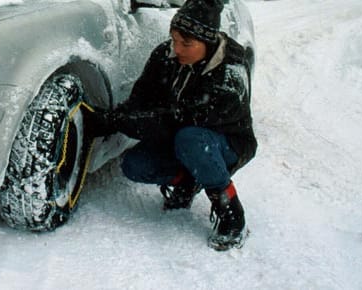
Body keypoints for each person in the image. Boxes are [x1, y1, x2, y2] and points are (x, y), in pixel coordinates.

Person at [86, 0, 257, 251]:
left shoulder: (230, 74)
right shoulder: (166, 56)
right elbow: (140, 99)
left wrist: (117, 122)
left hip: (225, 145)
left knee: (191, 139)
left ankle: (231, 212)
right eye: (174, 39)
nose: (177, 49)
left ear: (207, 42)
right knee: (135, 165)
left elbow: (176, 121)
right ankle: (189, 182)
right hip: (184, 138)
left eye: (186, 43)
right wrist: (111, 118)